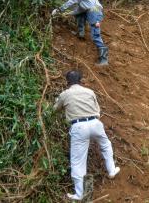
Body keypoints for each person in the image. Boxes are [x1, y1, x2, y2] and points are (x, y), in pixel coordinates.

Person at [54, 70, 120, 201]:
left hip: (78, 127)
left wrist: (58, 101)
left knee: (78, 161)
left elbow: (55, 109)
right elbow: (97, 109)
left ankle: (79, 194)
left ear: (67, 82)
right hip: (95, 123)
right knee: (106, 145)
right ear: (81, 80)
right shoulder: (90, 92)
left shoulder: (65, 94)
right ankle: (111, 170)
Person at [52, 0, 109, 66]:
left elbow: (72, 1)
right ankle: (80, 33)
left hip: (94, 10)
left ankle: (104, 59)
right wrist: (68, 13)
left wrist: (60, 9)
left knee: (95, 34)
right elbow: (80, 9)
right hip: (92, 9)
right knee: (79, 15)